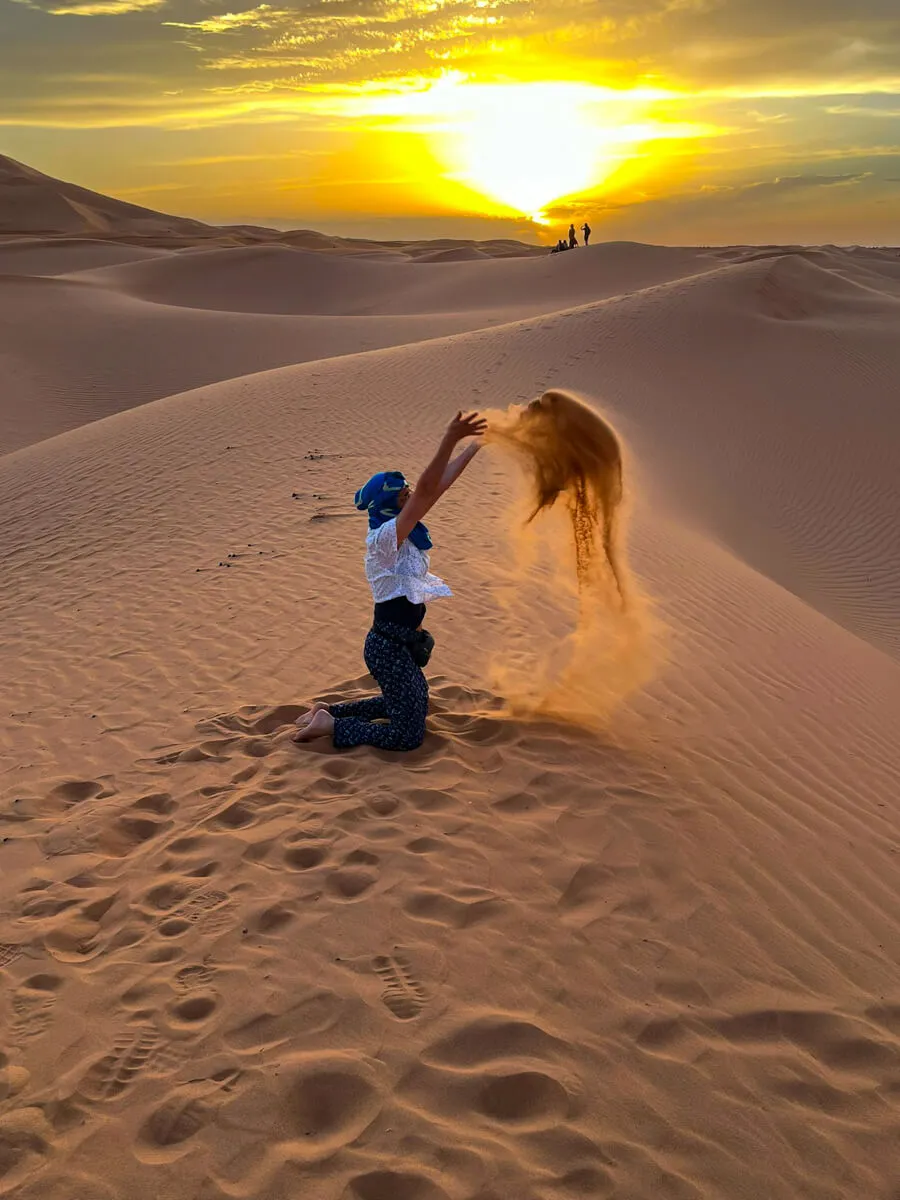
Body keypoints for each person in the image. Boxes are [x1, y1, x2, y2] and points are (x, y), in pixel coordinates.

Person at [293, 411, 487, 750]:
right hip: (388, 648)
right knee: (407, 735)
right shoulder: (384, 538)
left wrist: (476, 445)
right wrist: (449, 438)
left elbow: (436, 487)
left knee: (411, 707)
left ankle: (328, 711)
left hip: (399, 644)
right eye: (403, 494)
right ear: (387, 503)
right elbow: (428, 489)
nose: (411, 495)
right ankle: (333, 727)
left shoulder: (403, 530)